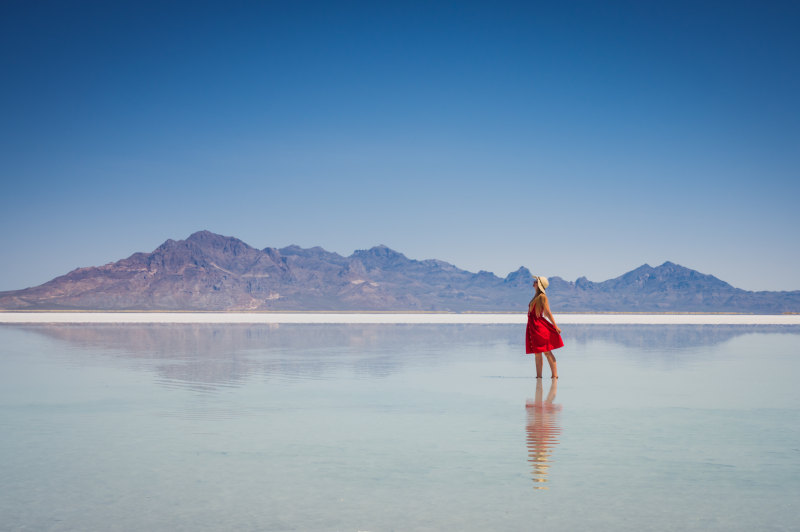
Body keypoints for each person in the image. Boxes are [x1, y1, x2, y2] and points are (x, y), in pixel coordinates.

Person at [526, 276, 564, 378]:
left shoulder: (542, 297)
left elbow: (547, 312)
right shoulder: (535, 296)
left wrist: (555, 326)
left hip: (539, 327)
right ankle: (538, 377)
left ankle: (554, 376)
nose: (533, 283)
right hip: (533, 327)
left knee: (547, 352)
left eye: (535, 281)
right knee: (537, 353)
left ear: (539, 285)